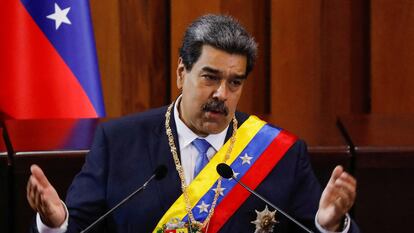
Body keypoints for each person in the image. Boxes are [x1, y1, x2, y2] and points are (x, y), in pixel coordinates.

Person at [27, 14, 359, 233]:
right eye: (210, 77)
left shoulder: (281, 154)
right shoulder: (118, 143)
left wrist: (330, 224)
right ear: (181, 73)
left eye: (234, 83)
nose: (221, 94)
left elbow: (313, 227)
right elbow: (77, 226)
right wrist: (53, 223)